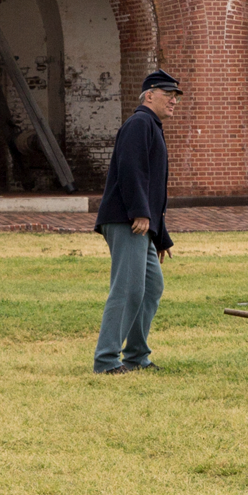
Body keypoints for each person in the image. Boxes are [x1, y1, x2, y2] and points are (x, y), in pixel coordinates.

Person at [94, 71, 181, 373]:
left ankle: (136, 356)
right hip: (126, 219)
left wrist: (161, 236)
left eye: (176, 95)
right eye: (168, 93)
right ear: (148, 95)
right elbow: (131, 172)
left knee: (152, 286)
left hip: (139, 221)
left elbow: (153, 186)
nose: (174, 99)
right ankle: (106, 360)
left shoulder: (151, 126)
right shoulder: (140, 123)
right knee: (128, 289)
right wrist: (139, 213)